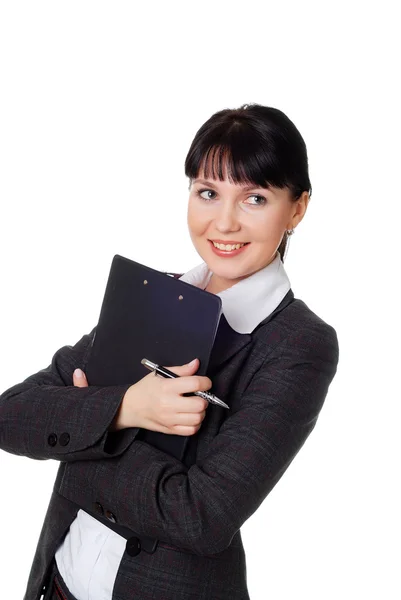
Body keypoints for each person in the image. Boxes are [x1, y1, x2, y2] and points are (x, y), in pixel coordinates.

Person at [0, 103, 339, 600]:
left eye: (254, 198)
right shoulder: (151, 296)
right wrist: (124, 409)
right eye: (208, 192)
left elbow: (201, 516)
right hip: (57, 583)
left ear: (298, 208)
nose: (223, 223)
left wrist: (86, 428)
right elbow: (11, 416)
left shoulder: (297, 343)